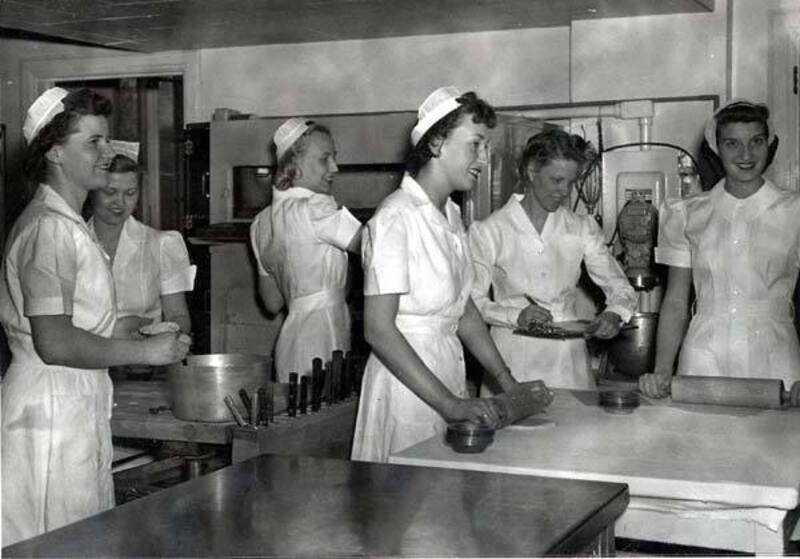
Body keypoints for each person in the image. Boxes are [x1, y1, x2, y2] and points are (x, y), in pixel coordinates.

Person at [0, 87, 190, 545]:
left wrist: (131, 327)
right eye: (93, 142)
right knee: (64, 542)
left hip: (71, 400)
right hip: (51, 409)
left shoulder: (67, 224)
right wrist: (143, 349)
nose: (108, 152)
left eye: (107, 140)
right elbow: (56, 341)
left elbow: (77, 324)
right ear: (55, 151)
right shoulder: (50, 228)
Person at [350, 86, 552, 463]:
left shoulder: (453, 216)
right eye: (475, 144)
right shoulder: (396, 217)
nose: (483, 158)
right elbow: (378, 329)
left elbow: (465, 311)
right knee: (406, 512)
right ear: (438, 143)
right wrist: (450, 404)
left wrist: (507, 384)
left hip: (446, 373)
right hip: (404, 387)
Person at [639, 100, 800, 404]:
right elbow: (675, 301)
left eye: (756, 141)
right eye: (732, 144)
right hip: (704, 357)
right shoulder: (687, 213)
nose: (746, 155)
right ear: (716, 147)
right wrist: (661, 369)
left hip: (775, 357)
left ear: (769, 144)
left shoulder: (794, 211)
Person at [469, 129, 637, 391]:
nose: (564, 192)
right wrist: (515, 315)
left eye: (571, 182)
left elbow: (620, 287)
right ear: (531, 170)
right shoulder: (489, 230)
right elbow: (471, 304)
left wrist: (614, 314)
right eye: (556, 180)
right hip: (511, 358)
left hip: (568, 362)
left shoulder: (581, 227)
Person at [250, 118, 361, 382]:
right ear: (295, 166)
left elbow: (272, 302)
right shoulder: (317, 208)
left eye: (334, 157)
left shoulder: (260, 223)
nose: (335, 167)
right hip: (324, 339)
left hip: (292, 342)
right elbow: (378, 247)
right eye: (325, 159)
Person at [88, 140, 195, 337]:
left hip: (143, 364)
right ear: (92, 191)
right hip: (86, 362)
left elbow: (178, 316)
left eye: (130, 193)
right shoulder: (73, 240)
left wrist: (161, 334)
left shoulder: (162, 245)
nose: (119, 203)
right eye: (110, 192)